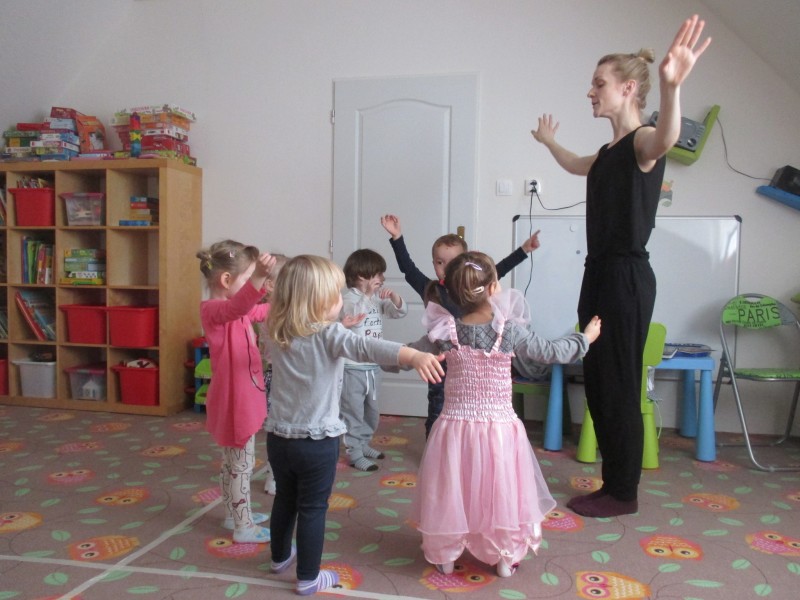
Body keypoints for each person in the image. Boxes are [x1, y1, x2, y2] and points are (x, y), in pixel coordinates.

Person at [531, 15, 711, 518]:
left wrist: (672, 87)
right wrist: (548, 143)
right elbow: (575, 164)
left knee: (619, 383)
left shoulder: (642, 141)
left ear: (628, 88)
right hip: (600, 273)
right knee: (598, 378)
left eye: (599, 83)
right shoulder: (608, 151)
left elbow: (666, 137)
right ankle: (613, 483)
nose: (590, 92)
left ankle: (623, 493)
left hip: (625, 277)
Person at [409, 251, 601, 577]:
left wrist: (364, 348)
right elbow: (553, 352)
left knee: (454, 488)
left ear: (453, 292)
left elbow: (405, 354)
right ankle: (503, 556)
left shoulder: (444, 330)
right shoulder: (508, 331)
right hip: (499, 430)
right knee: (500, 491)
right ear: (492, 287)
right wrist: (585, 338)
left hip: (454, 429)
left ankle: (446, 555)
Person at [264, 255, 444, 596]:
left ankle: (279, 557)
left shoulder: (276, 329)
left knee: (285, 498)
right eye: (335, 294)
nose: (340, 299)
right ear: (319, 302)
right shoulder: (329, 334)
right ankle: (308, 577)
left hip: (279, 437)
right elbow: (366, 347)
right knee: (313, 508)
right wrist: (413, 355)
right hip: (317, 442)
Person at [380, 213, 542, 437]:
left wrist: (523, 250)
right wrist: (397, 237)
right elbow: (408, 268)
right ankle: (435, 447)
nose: (445, 268)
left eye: (452, 263)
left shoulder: (474, 286)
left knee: (469, 415)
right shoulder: (430, 288)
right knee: (437, 411)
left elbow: (499, 269)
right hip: (440, 363)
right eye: (439, 262)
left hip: (470, 367)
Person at [197, 240, 276, 543]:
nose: (252, 287)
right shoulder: (215, 310)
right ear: (226, 280)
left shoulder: (235, 310)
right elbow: (240, 306)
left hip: (243, 395)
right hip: (235, 401)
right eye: (247, 279)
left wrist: (290, 302)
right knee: (241, 465)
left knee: (233, 461)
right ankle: (244, 526)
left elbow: (258, 310)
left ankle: (233, 514)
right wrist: (259, 279)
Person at [340, 248, 408, 471]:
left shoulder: (375, 299)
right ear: (362, 276)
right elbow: (356, 319)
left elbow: (399, 312)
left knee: (371, 410)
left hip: (372, 366)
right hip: (352, 368)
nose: (382, 278)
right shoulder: (348, 299)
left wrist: (395, 298)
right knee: (353, 412)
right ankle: (354, 452)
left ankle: (363, 443)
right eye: (378, 274)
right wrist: (368, 296)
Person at [256, 253, 289, 495]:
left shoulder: (280, 310)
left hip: (288, 377)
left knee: (287, 428)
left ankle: (280, 472)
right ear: (270, 285)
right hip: (278, 377)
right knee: (278, 429)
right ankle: (273, 474)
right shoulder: (269, 313)